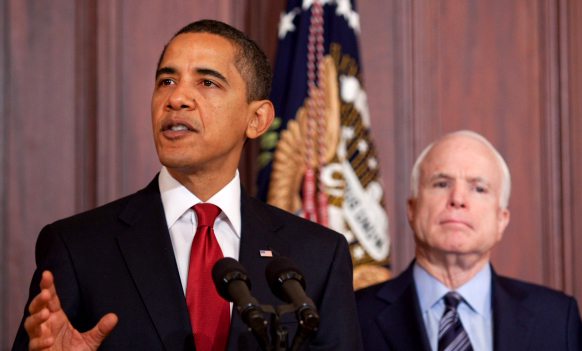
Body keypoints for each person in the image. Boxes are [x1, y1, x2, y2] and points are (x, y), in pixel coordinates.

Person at [13, 20, 362, 351]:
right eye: (166, 81)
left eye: (207, 82)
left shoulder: (318, 256)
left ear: (256, 119)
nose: (176, 98)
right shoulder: (78, 247)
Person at [356, 130, 582, 351]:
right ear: (412, 209)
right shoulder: (354, 314)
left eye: (479, 188)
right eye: (442, 184)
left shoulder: (557, 318)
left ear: (501, 220)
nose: (457, 199)